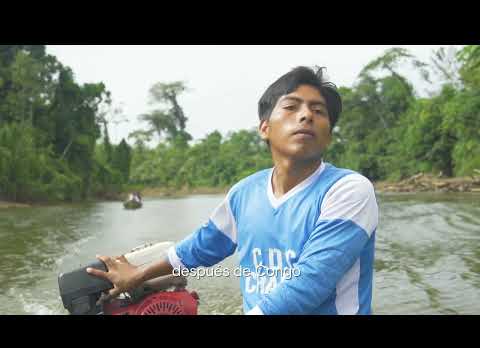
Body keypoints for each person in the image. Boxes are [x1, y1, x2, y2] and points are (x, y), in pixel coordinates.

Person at [87, 66, 378, 315]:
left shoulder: (348, 191)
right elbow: (200, 247)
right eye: (291, 107)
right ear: (265, 128)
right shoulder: (245, 193)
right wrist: (137, 276)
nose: (306, 116)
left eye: (319, 111)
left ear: (328, 134)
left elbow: (309, 283)